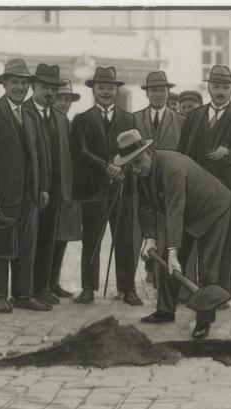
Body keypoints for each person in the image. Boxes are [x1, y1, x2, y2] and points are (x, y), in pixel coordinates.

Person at [119, 130, 231, 339]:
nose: (135, 169)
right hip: (187, 212)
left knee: (206, 266)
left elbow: (174, 209)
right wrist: (150, 239)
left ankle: (204, 321)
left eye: (137, 162)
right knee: (165, 259)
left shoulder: (173, 167)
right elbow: (145, 208)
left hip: (213, 209)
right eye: (130, 165)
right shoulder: (141, 171)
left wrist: (173, 252)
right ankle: (165, 310)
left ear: (150, 153)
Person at [0, 59, 49, 313]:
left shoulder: (31, 115)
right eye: (14, 82)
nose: (20, 87)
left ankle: (23, 294)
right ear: (4, 84)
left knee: (28, 243)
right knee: (0, 243)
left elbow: (40, 154)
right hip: (3, 194)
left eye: (24, 83)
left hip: (30, 192)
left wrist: (43, 187)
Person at [177, 64, 231, 297]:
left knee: (224, 246)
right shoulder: (195, 116)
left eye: (225, 87)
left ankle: (220, 296)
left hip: (228, 193)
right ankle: (183, 292)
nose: (220, 91)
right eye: (216, 86)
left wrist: (229, 153)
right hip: (197, 193)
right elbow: (182, 151)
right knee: (189, 241)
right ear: (209, 88)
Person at [70, 66, 142, 306]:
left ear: (116, 90)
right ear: (93, 90)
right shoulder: (81, 120)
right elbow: (80, 151)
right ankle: (89, 288)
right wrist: (106, 167)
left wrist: (122, 168)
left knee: (124, 239)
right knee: (91, 238)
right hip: (93, 189)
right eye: (101, 87)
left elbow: (136, 152)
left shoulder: (129, 119)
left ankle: (127, 289)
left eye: (110, 88)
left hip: (122, 188)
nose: (106, 92)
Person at [23, 64, 71, 308]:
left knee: (48, 241)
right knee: (29, 241)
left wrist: (63, 190)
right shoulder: (24, 112)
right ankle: (26, 289)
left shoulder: (60, 118)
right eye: (44, 87)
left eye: (53, 88)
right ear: (34, 87)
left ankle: (42, 287)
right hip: (31, 191)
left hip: (54, 191)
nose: (49, 93)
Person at [134, 71, 186, 287]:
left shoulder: (181, 121)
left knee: (165, 230)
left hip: (168, 183)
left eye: (162, 90)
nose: (158, 95)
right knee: (143, 228)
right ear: (147, 93)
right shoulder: (135, 118)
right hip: (141, 183)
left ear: (168, 93)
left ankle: (162, 277)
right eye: (154, 90)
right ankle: (139, 274)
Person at [50, 79, 82, 299]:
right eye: (59, 98)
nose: (63, 103)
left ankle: (54, 281)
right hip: (50, 189)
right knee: (46, 237)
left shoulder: (69, 123)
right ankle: (42, 282)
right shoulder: (47, 121)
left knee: (61, 237)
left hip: (67, 190)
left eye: (67, 99)